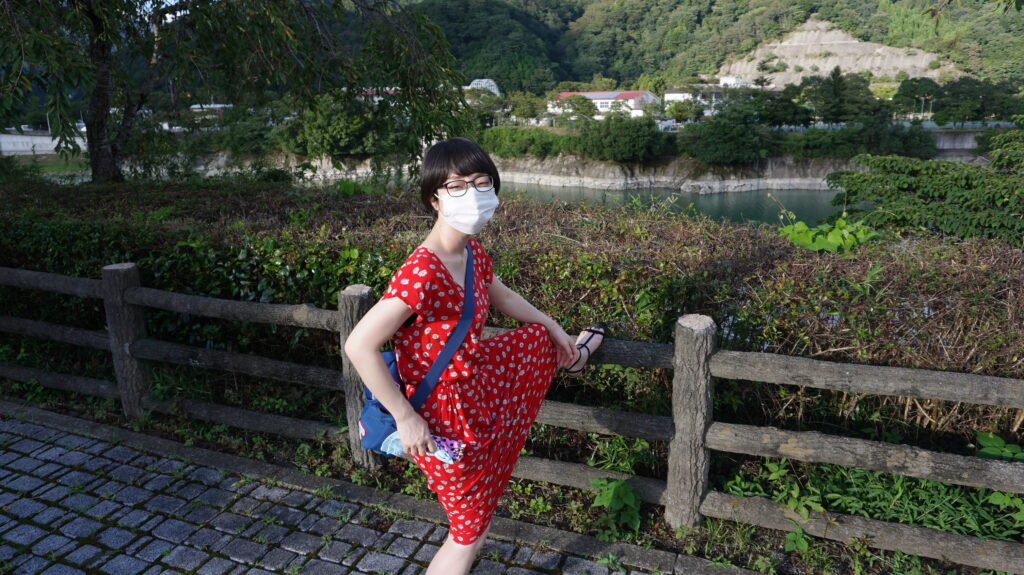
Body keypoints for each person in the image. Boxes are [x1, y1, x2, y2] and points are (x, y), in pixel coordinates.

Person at [343, 137, 607, 575]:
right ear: (434, 199)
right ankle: (577, 356)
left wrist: (553, 327)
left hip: (474, 392)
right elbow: (358, 345)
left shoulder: (470, 253)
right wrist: (406, 417)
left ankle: (573, 354)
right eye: (457, 185)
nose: (473, 193)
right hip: (441, 417)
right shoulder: (422, 271)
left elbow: (501, 294)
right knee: (467, 533)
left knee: (475, 523)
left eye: (482, 182)